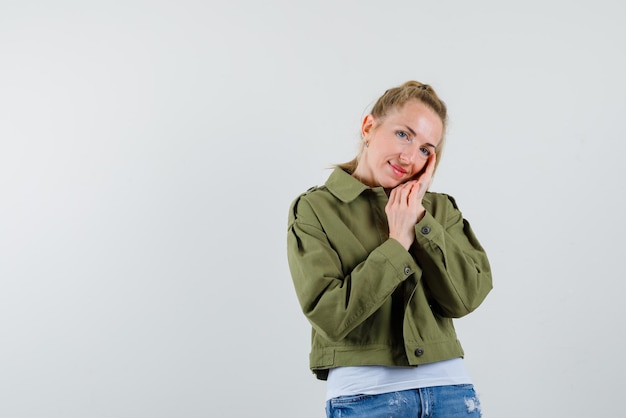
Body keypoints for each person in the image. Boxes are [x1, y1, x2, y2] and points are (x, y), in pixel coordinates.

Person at [286, 80, 493, 417]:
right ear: (369, 127)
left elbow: (466, 297)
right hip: (367, 397)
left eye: (426, 149)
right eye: (403, 134)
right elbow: (330, 316)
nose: (410, 156)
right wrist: (397, 244)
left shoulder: (439, 210)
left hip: (452, 393)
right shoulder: (315, 209)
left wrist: (421, 221)